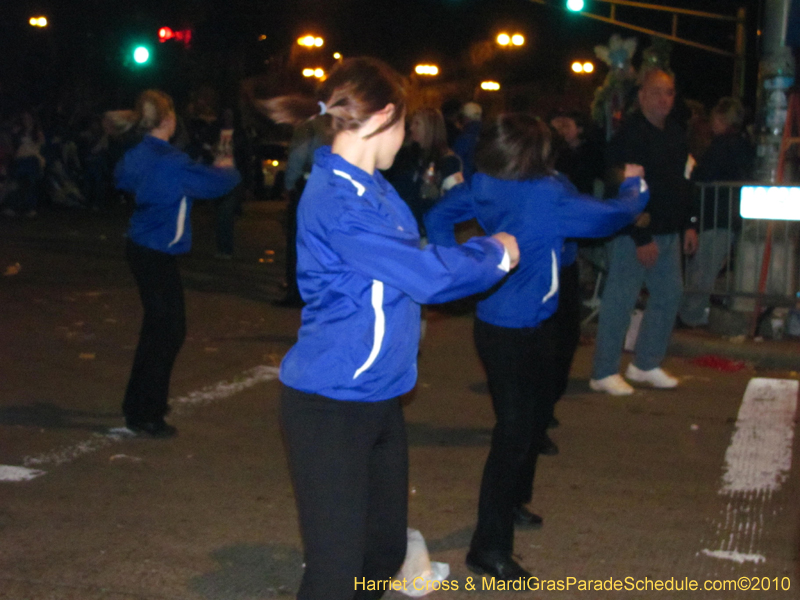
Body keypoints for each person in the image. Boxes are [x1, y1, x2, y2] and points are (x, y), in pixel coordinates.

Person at [261, 57, 519, 600]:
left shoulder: (376, 188)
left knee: (382, 555)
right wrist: (493, 254)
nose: (408, 138)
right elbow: (424, 275)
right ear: (382, 118)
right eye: (404, 123)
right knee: (336, 571)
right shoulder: (338, 198)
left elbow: (410, 259)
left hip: (379, 397)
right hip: (329, 405)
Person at [425, 113, 649, 580]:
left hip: (502, 322)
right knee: (514, 434)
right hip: (517, 330)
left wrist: (457, 268)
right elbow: (611, 216)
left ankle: (512, 505)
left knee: (524, 426)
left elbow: (438, 215)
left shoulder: (485, 182)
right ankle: (488, 547)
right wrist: (636, 189)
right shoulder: (546, 193)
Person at [115, 90, 240, 437]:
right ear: (168, 121)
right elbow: (222, 181)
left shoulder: (138, 154)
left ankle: (140, 403)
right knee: (168, 331)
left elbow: (121, 177)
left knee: (158, 328)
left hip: (141, 245)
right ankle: (146, 412)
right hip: (155, 250)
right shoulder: (171, 162)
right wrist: (226, 145)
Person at [589, 69, 698, 395]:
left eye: (669, 92)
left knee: (668, 295)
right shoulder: (629, 137)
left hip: (668, 232)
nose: (664, 99)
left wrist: (689, 224)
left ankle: (646, 363)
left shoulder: (677, 135)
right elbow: (619, 188)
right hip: (634, 234)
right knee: (620, 301)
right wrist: (640, 236)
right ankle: (604, 370)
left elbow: (684, 183)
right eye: (657, 92)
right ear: (642, 96)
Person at [679, 97, 753, 327]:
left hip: (715, 215)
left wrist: (694, 172)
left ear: (721, 119)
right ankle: (692, 313)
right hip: (727, 214)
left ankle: (691, 316)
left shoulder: (722, 145)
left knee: (702, 268)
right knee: (706, 266)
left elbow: (706, 175)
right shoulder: (741, 144)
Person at [384, 107, 463, 235]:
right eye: (412, 123)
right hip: (404, 227)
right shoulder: (408, 156)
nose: (411, 128)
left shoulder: (447, 161)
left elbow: (456, 200)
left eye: (417, 123)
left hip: (428, 234)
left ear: (430, 127)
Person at [452, 101, 482, 182]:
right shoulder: (487, 135)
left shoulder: (464, 138)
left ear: (465, 118)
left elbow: (456, 160)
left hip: (466, 181)